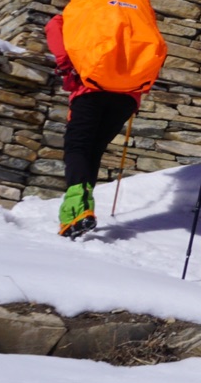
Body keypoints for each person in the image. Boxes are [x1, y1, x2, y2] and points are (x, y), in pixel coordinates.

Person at [46, 14, 138, 238]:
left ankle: (76, 210)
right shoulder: (136, 16)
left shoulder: (85, 10)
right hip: (127, 96)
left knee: (78, 147)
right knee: (93, 149)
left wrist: (67, 65)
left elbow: (53, 27)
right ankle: (83, 207)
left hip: (90, 87)